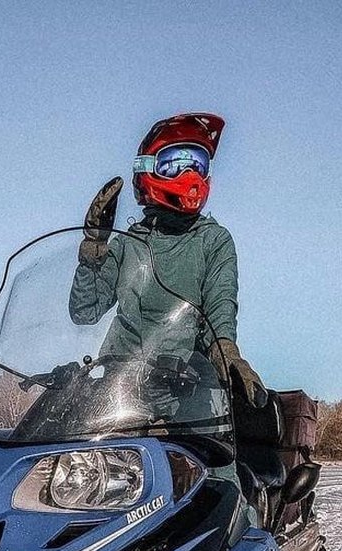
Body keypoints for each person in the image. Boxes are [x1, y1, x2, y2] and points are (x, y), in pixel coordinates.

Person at [69, 112, 267, 410]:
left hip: (186, 397)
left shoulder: (213, 241)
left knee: (201, 457)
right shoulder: (128, 243)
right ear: (148, 169)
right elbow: (84, 311)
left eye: (197, 165)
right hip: (118, 396)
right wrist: (93, 249)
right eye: (174, 164)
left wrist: (227, 355)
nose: (189, 176)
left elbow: (220, 310)